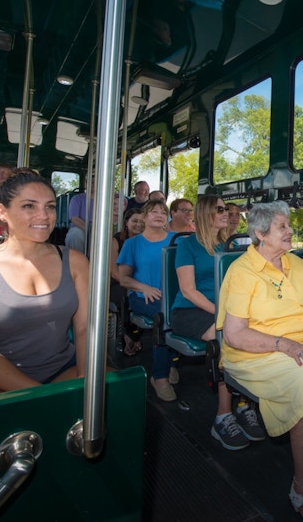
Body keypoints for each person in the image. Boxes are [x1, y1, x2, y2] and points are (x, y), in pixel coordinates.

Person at [0, 172, 89, 402]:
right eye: (29, 206)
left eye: (49, 207)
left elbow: (84, 330)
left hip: (61, 371)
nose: (44, 215)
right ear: (2, 212)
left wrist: (84, 377)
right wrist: (42, 397)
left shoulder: (76, 262)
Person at [217, 201, 303, 515]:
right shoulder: (243, 272)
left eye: (288, 225)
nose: (290, 230)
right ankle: (300, 490)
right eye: (282, 226)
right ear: (260, 234)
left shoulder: (296, 263)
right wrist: (286, 345)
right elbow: (235, 334)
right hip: (255, 352)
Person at [170, 195, 264, 449]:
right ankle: (223, 415)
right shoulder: (188, 246)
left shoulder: (229, 246)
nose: (227, 214)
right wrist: (222, 313)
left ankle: (245, 404)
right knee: (227, 334)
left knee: (255, 332)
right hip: (189, 311)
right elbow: (188, 290)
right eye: (221, 209)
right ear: (206, 213)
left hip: (224, 311)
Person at [117, 199, 179, 401]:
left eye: (163, 212)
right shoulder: (132, 244)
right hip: (141, 297)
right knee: (163, 318)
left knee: (182, 314)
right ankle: (160, 376)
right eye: (153, 212)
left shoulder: (176, 240)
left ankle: (169, 360)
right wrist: (144, 287)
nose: (159, 215)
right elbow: (124, 278)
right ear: (144, 217)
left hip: (170, 296)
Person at [109, 208, 145, 355]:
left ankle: (134, 335)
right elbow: (113, 270)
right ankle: (127, 335)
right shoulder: (116, 241)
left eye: (142, 222)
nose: (138, 225)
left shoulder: (146, 241)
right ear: (126, 222)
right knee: (124, 296)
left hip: (139, 282)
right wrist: (132, 285)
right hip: (118, 282)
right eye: (134, 221)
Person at [65, 176, 94, 253]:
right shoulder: (77, 199)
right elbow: (74, 218)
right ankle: (76, 261)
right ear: (85, 184)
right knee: (76, 234)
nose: (93, 185)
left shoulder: (106, 201)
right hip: (81, 228)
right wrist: (90, 230)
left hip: (99, 229)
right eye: (90, 182)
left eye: (95, 182)